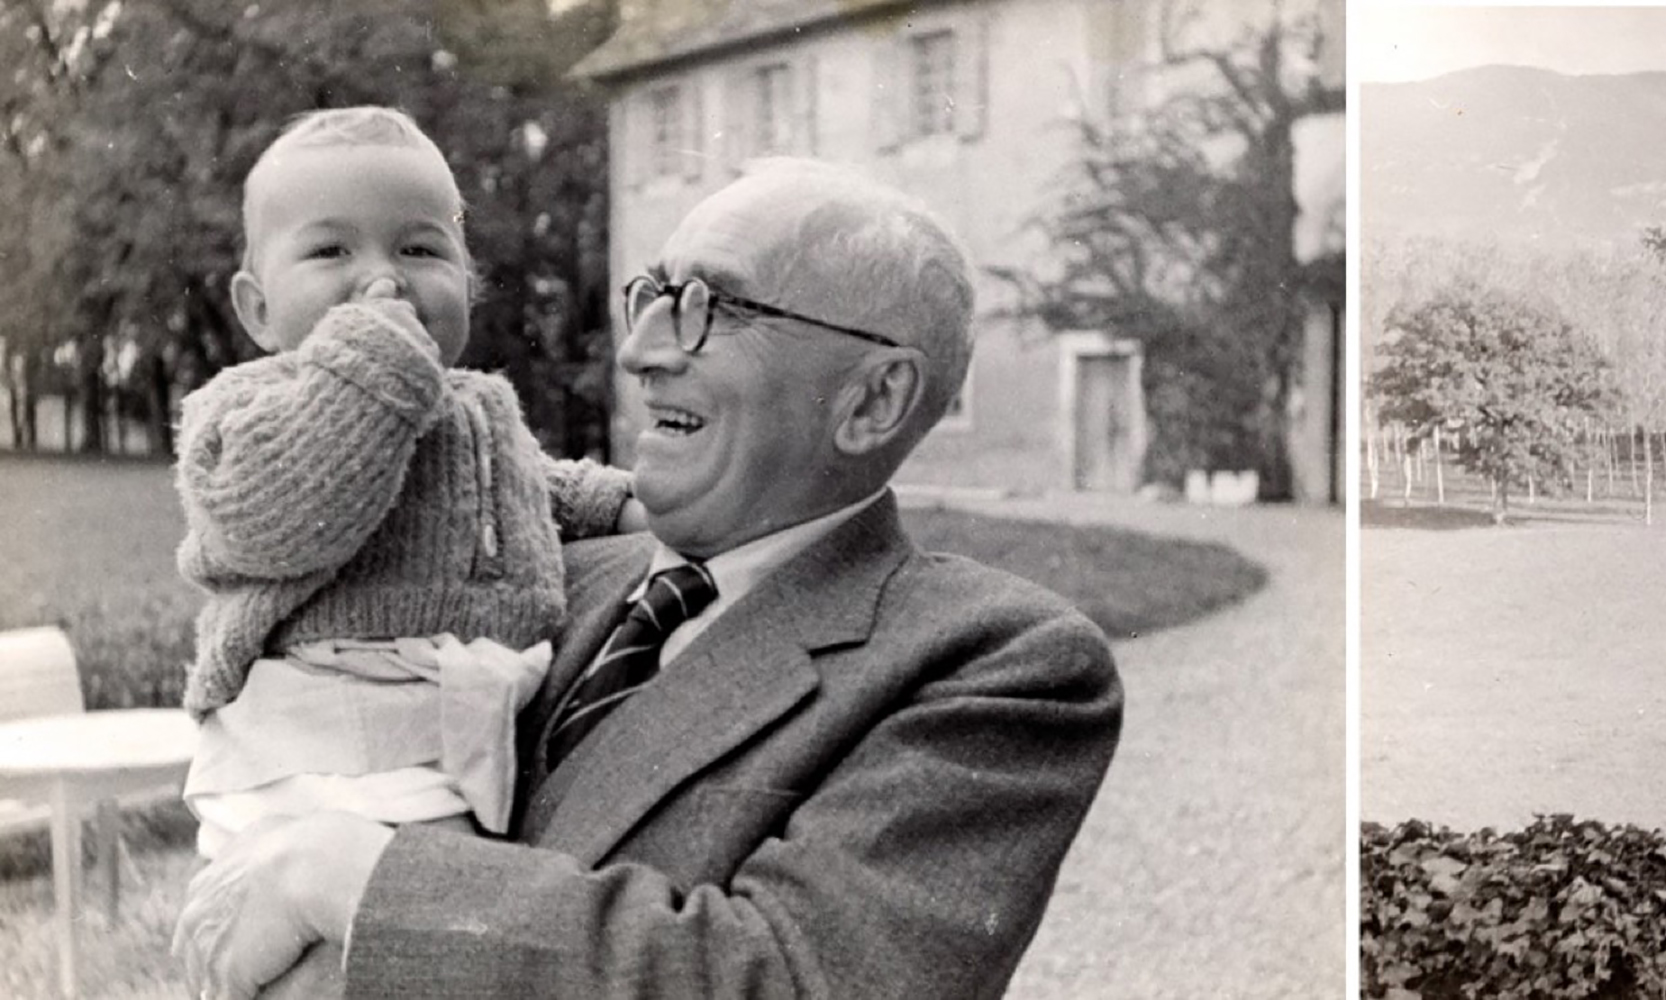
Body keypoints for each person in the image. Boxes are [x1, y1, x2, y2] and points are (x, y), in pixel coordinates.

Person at [173, 158, 1126, 999]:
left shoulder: (996, 663)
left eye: (716, 308)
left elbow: (800, 977)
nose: (641, 351)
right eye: (654, 296)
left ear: (873, 399)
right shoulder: (533, 578)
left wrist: (346, 879)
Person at [172, 106, 637, 992]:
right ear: (257, 308)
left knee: (432, 954)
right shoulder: (243, 409)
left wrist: (627, 506)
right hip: (320, 750)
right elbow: (276, 513)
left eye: (420, 250)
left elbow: (538, 491)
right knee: (349, 962)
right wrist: (371, 364)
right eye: (331, 253)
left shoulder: (475, 405)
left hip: (442, 744)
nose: (380, 281)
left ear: (470, 280)